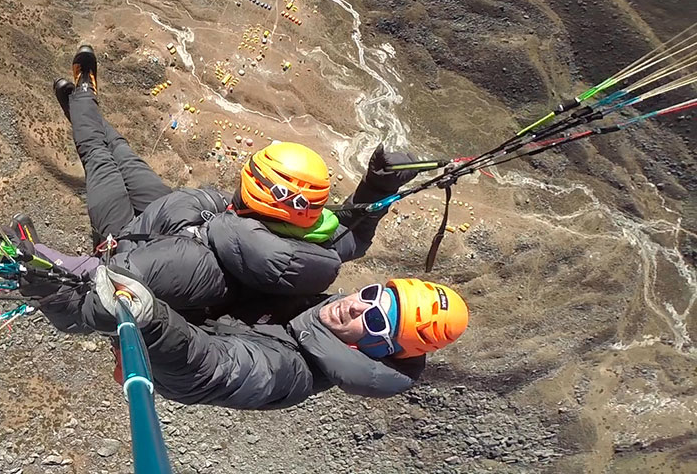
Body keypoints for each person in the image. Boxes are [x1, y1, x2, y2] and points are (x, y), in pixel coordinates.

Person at [35, 44, 421, 330]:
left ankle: (83, 96)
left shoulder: (190, 267)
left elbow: (98, 281)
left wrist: (29, 260)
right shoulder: (315, 240)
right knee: (121, 154)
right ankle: (82, 108)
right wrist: (376, 188)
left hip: (127, 235)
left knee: (101, 156)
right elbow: (353, 231)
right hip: (179, 215)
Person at [71, 266, 469, 409]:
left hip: (165, 349)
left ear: (376, 350)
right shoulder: (317, 316)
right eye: (372, 295)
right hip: (198, 320)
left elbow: (215, 365)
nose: (357, 306)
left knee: (75, 300)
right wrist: (376, 189)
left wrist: (153, 322)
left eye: (377, 321)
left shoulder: (290, 373)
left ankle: (33, 282)